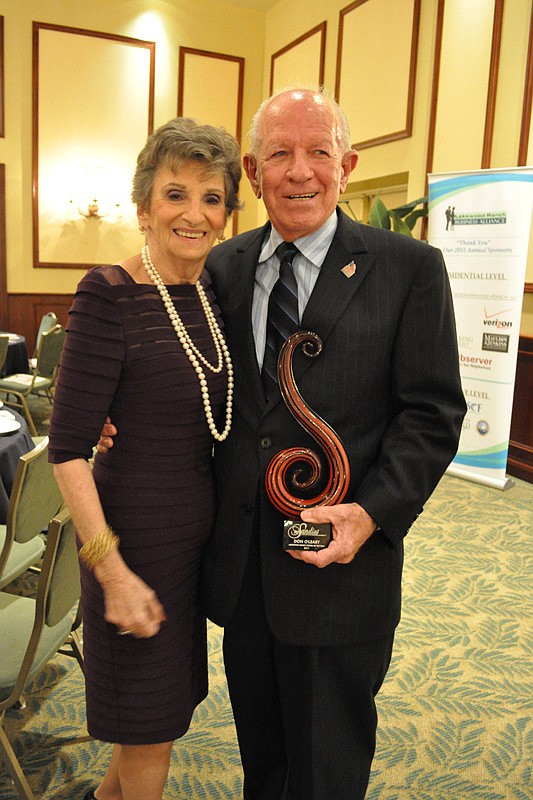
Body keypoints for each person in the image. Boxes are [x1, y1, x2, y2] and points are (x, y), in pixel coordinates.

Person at [101, 87, 466, 799]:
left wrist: (371, 513)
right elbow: (167, 356)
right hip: (243, 573)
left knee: (328, 770)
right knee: (263, 763)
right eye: (279, 154)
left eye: (318, 152)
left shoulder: (408, 268)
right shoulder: (221, 266)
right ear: (252, 169)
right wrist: (116, 410)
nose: (301, 171)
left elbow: (431, 415)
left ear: (347, 163)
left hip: (342, 567)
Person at [48, 117, 241, 800]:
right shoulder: (110, 293)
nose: (194, 213)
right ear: (143, 206)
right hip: (132, 547)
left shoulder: (212, 288)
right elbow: (68, 451)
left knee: (154, 719)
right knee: (149, 732)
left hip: (190, 548)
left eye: (212, 197)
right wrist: (114, 573)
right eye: (176, 194)